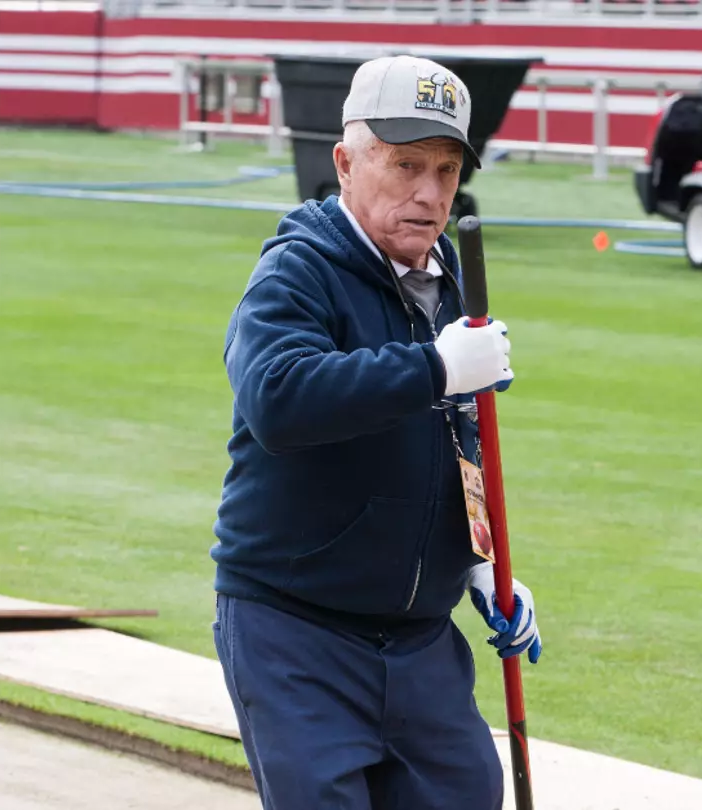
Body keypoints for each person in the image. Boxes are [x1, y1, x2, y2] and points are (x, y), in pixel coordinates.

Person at [211, 55, 543, 810]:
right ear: (346, 163)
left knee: (468, 794)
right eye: (404, 165)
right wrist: (433, 366)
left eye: (446, 170)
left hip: (421, 640)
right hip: (296, 631)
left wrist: (480, 564)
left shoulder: (448, 277)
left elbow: (457, 444)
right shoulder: (298, 270)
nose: (428, 194)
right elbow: (278, 399)